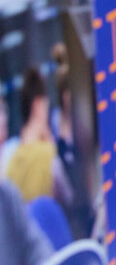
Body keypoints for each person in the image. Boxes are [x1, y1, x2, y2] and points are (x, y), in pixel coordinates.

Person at [5, 69, 74, 206]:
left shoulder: (8, 156)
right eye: (45, 106)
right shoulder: (48, 154)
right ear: (38, 106)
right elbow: (69, 197)